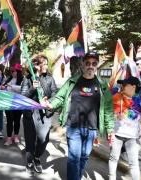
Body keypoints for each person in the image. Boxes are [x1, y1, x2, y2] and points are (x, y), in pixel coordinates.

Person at [42, 52, 115, 180]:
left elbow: (108, 109)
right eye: (88, 63)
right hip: (73, 126)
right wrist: (51, 104)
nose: (90, 66)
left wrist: (110, 129)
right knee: (74, 157)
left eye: (94, 64)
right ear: (83, 64)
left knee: (84, 157)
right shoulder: (72, 82)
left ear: (97, 66)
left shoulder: (103, 86)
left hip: (92, 128)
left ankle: (77, 177)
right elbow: (60, 96)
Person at [21, 55, 57, 176]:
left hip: (44, 113)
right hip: (30, 113)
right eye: (44, 64)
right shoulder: (27, 79)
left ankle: (37, 157)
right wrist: (32, 88)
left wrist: (48, 102)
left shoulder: (50, 79)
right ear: (36, 65)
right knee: (30, 139)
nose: (47, 66)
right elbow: (23, 97)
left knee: (43, 139)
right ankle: (30, 162)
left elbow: (55, 95)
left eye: (47, 64)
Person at [108, 76, 141, 180]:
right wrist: (116, 117)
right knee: (113, 158)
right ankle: (112, 178)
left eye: (125, 85)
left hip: (132, 137)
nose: (122, 86)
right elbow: (109, 113)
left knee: (133, 162)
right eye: (122, 84)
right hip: (117, 134)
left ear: (133, 87)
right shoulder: (116, 97)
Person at [1, 63, 23, 146]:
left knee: (17, 120)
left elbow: (21, 89)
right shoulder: (9, 79)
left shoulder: (22, 80)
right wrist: (3, 87)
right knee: (9, 120)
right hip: (9, 103)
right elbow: (4, 87)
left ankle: (16, 136)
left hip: (18, 103)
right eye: (11, 71)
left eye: (13, 71)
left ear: (18, 72)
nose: (12, 73)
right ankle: (9, 138)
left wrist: (11, 86)